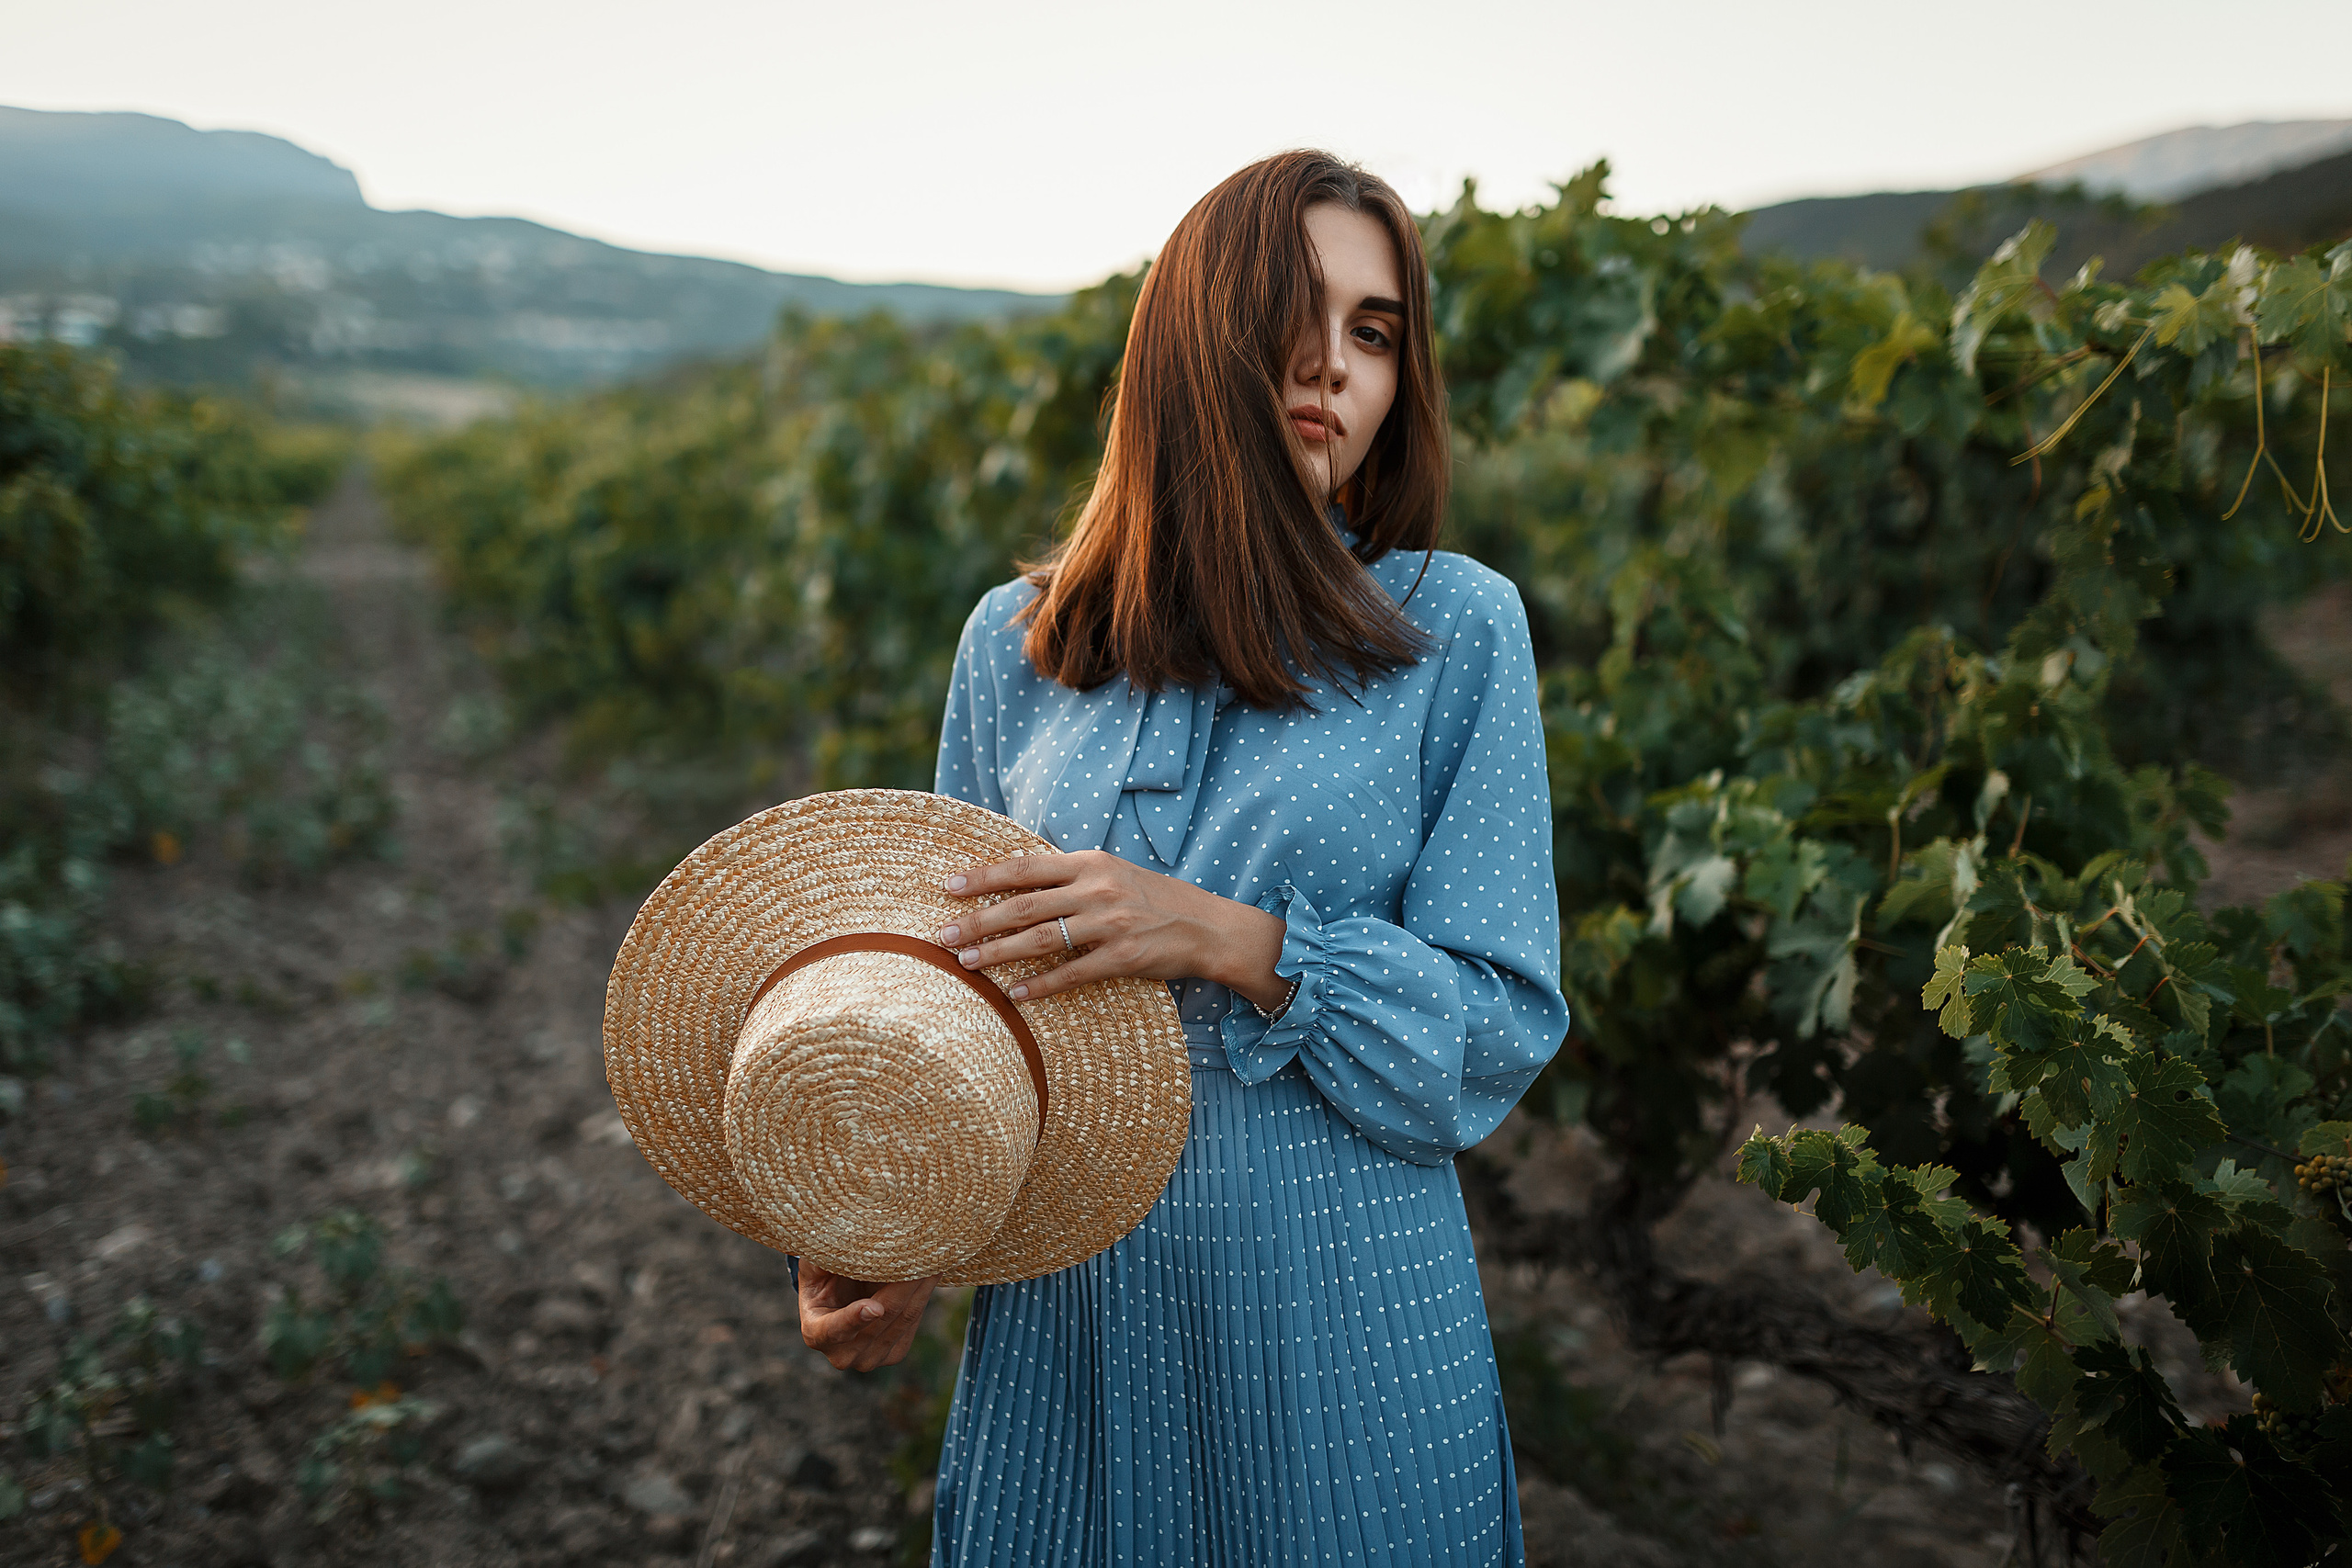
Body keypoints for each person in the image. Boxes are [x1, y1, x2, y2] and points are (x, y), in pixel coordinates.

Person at [796, 150, 1567, 1566]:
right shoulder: (1015, 649)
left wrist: (1231, 938)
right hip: (1071, 1314)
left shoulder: (1455, 629)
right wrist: (889, 1231)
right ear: (1193, 339)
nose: (1334, 364)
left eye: (1376, 331)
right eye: (1294, 310)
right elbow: (954, 1006)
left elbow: (1494, 1031)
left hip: (1338, 1306)